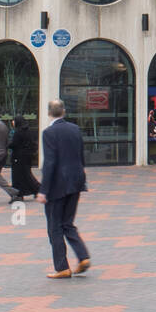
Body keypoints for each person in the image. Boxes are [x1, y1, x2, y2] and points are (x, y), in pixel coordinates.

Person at [36, 99, 91, 279]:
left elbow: (50, 162)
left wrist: (43, 190)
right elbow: (81, 155)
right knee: (67, 223)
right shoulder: (75, 129)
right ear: (64, 111)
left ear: (49, 113)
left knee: (54, 227)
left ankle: (62, 268)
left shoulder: (48, 133)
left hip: (57, 186)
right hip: (75, 182)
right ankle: (83, 257)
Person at [9, 116, 41, 198]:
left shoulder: (18, 132)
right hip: (27, 157)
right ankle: (35, 190)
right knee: (27, 175)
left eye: (14, 121)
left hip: (18, 157)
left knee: (19, 176)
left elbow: (14, 144)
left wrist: (7, 145)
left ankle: (19, 193)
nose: (12, 122)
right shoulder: (28, 131)